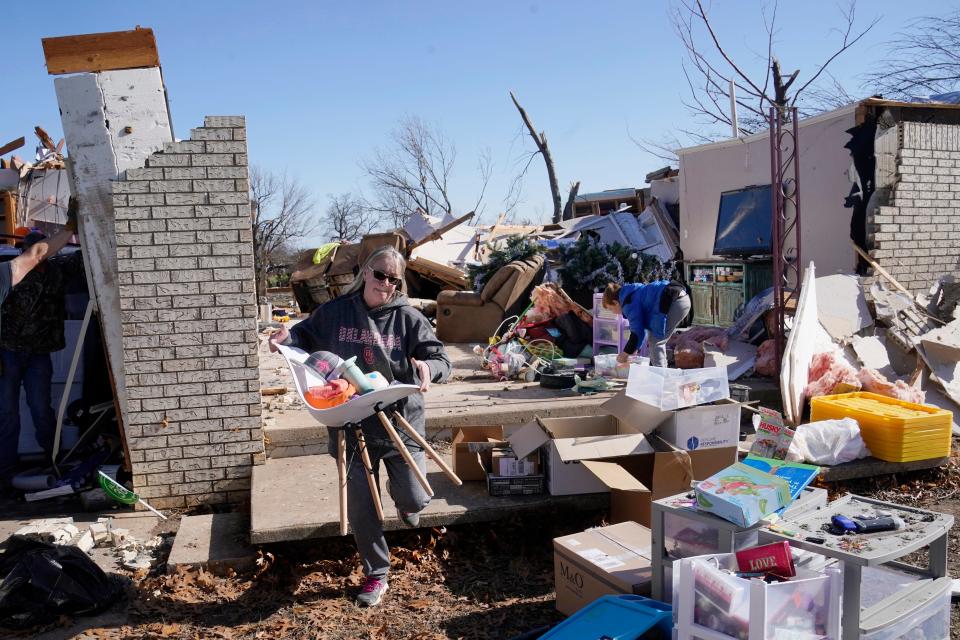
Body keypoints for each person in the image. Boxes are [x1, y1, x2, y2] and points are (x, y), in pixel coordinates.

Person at [269, 245, 451, 607]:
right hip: (350, 424)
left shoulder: (409, 318)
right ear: (366, 272)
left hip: (400, 421)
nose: (385, 284)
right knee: (362, 506)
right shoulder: (336, 312)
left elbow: (440, 357)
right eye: (380, 274)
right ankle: (376, 574)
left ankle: (407, 504)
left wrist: (431, 369)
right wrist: (284, 338)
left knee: (416, 496)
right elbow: (302, 337)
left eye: (393, 279)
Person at [0, 220, 79, 482]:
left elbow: (84, 259)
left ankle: (53, 459)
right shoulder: (14, 273)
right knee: (7, 412)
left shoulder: (58, 269)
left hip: (38, 354)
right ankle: (6, 471)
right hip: (8, 352)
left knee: (40, 408)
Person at [601, 279, 690, 368]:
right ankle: (661, 373)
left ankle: (660, 376)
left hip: (674, 301)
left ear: (615, 302)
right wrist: (634, 348)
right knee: (654, 338)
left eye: (611, 309)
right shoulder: (630, 292)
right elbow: (641, 329)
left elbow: (637, 332)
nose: (614, 313)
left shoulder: (628, 303)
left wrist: (625, 353)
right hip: (681, 297)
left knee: (656, 342)